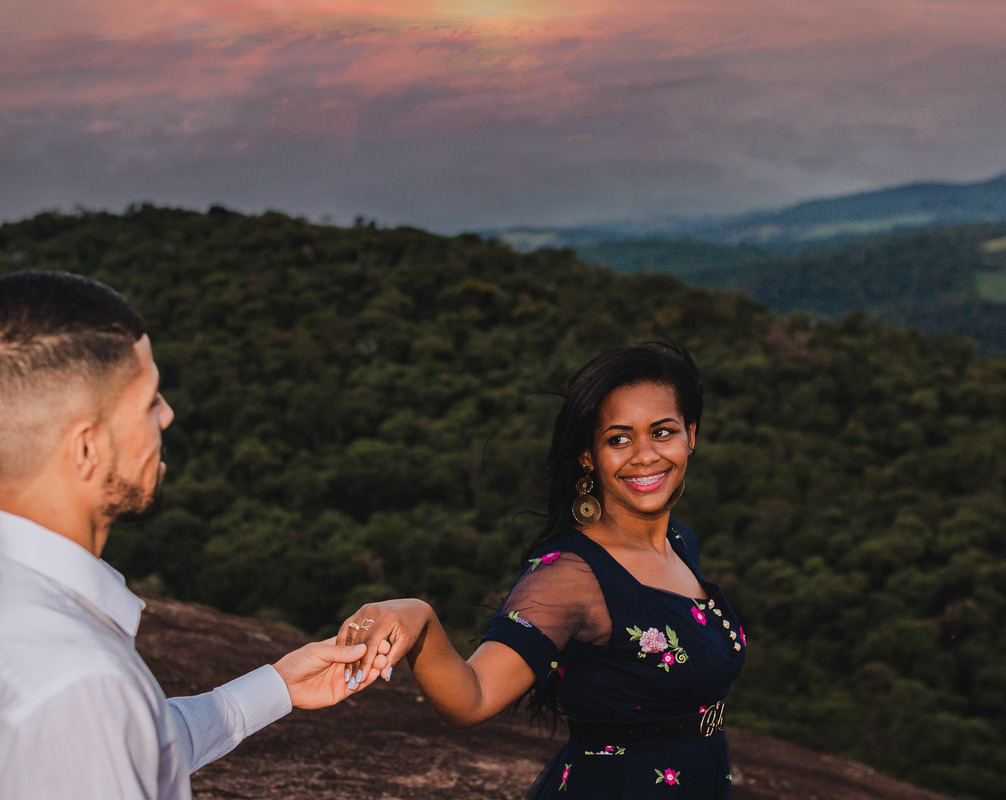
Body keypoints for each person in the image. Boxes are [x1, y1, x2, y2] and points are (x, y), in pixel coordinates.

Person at [0, 270, 382, 799]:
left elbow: (128, 745)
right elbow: (95, 728)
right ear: (85, 449)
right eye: (149, 401)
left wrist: (278, 686)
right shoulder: (79, 683)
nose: (168, 415)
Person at [340, 342, 746, 798]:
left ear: (691, 434)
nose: (645, 455)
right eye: (618, 439)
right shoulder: (572, 576)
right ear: (588, 456)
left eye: (663, 432)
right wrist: (419, 618)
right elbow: (472, 698)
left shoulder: (680, 543)